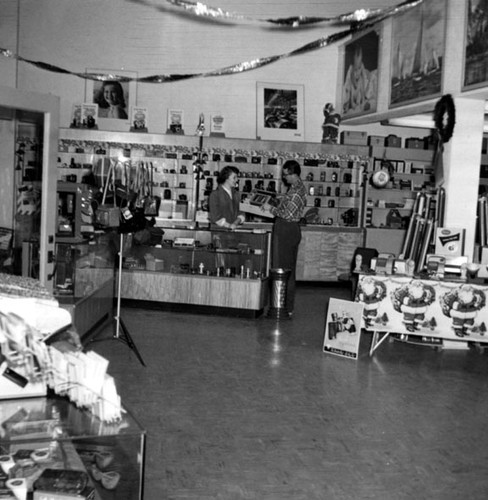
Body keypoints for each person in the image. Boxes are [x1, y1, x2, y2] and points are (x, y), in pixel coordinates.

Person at [262, 160, 306, 317]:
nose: (284, 178)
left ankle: (279, 307)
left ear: (294, 174)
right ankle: (287, 306)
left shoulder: (294, 192)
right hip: (291, 230)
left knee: (280, 268)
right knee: (289, 270)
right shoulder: (297, 188)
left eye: (286, 175)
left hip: (286, 230)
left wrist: (270, 208)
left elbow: (287, 214)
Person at [208, 166, 245, 230]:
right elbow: (215, 217)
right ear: (226, 178)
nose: (236, 180)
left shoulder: (236, 194)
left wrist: (235, 223)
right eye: (234, 177)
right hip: (219, 232)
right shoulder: (215, 195)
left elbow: (241, 212)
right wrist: (229, 225)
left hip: (234, 230)